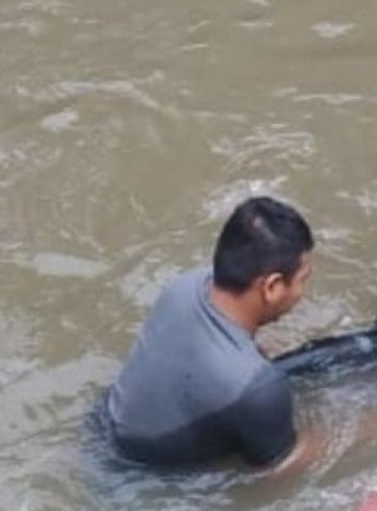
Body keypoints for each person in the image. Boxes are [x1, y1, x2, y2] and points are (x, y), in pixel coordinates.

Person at [100, 196, 323, 471]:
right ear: (272, 286)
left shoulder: (184, 287)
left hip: (104, 429)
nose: (303, 292)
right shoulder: (260, 389)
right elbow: (281, 468)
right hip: (148, 477)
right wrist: (357, 433)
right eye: (303, 280)